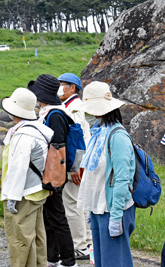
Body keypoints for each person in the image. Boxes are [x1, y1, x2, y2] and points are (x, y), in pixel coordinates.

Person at [75, 81, 136, 267]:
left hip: (113, 209)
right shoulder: (99, 133)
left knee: (115, 262)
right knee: (102, 261)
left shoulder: (117, 136)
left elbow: (122, 178)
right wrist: (92, 208)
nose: (89, 115)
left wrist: (116, 215)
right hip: (100, 208)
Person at [0, 88, 54, 267]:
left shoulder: (23, 134)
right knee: (37, 236)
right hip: (37, 190)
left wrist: (12, 197)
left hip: (23, 193)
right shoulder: (38, 129)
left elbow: (18, 168)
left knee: (20, 239)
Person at [28, 74, 77, 267]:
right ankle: (52, 257)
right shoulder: (50, 112)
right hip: (50, 172)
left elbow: (57, 150)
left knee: (57, 217)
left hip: (53, 173)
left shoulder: (54, 115)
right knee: (50, 217)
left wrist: (50, 179)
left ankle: (68, 261)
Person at [57, 73, 92, 259]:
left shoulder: (74, 108)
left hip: (75, 164)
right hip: (79, 163)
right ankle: (87, 241)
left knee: (72, 204)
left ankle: (80, 245)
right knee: (80, 203)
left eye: (63, 84)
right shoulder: (70, 106)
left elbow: (78, 140)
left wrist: (75, 169)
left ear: (72, 88)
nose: (60, 87)